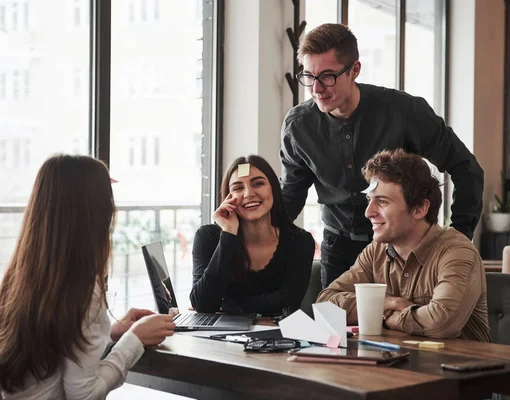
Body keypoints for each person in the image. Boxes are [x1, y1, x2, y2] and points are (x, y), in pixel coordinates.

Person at [279, 23, 484, 288]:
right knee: (334, 328)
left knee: (406, 325)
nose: (316, 89)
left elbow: (466, 168)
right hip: (338, 250)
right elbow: (291, 196)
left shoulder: (404, 112)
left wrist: (457, 237)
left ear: (354, 70)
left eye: (327, 76)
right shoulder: (298, 126)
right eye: (308, 76)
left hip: (402, 248)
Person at [0, 154, 176, 399]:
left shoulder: (20, 276)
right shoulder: (82, 288)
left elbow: (58, 350)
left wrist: (111, 332)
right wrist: (135, 339)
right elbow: (85, 396)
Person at [317, 149, 490, 342]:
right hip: (398, 363)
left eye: (382, 201)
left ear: (420, 209)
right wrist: (387, 303)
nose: (368, 212)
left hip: (461, 368)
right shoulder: (376, 250)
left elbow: (441, 323)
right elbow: (325, 303)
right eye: (369, 200)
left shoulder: (457, 251)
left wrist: (384, 316)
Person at [190, 155, 315, 315]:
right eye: (237, 188)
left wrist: (228, 304)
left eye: (258, 184)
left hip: (278, 336)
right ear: (228, 198)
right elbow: (203, 304)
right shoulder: (207, 237)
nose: (248, 193)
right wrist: (228, 235)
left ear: (274, 189)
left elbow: (287, 302)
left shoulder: (300, 241)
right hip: (220, 338)